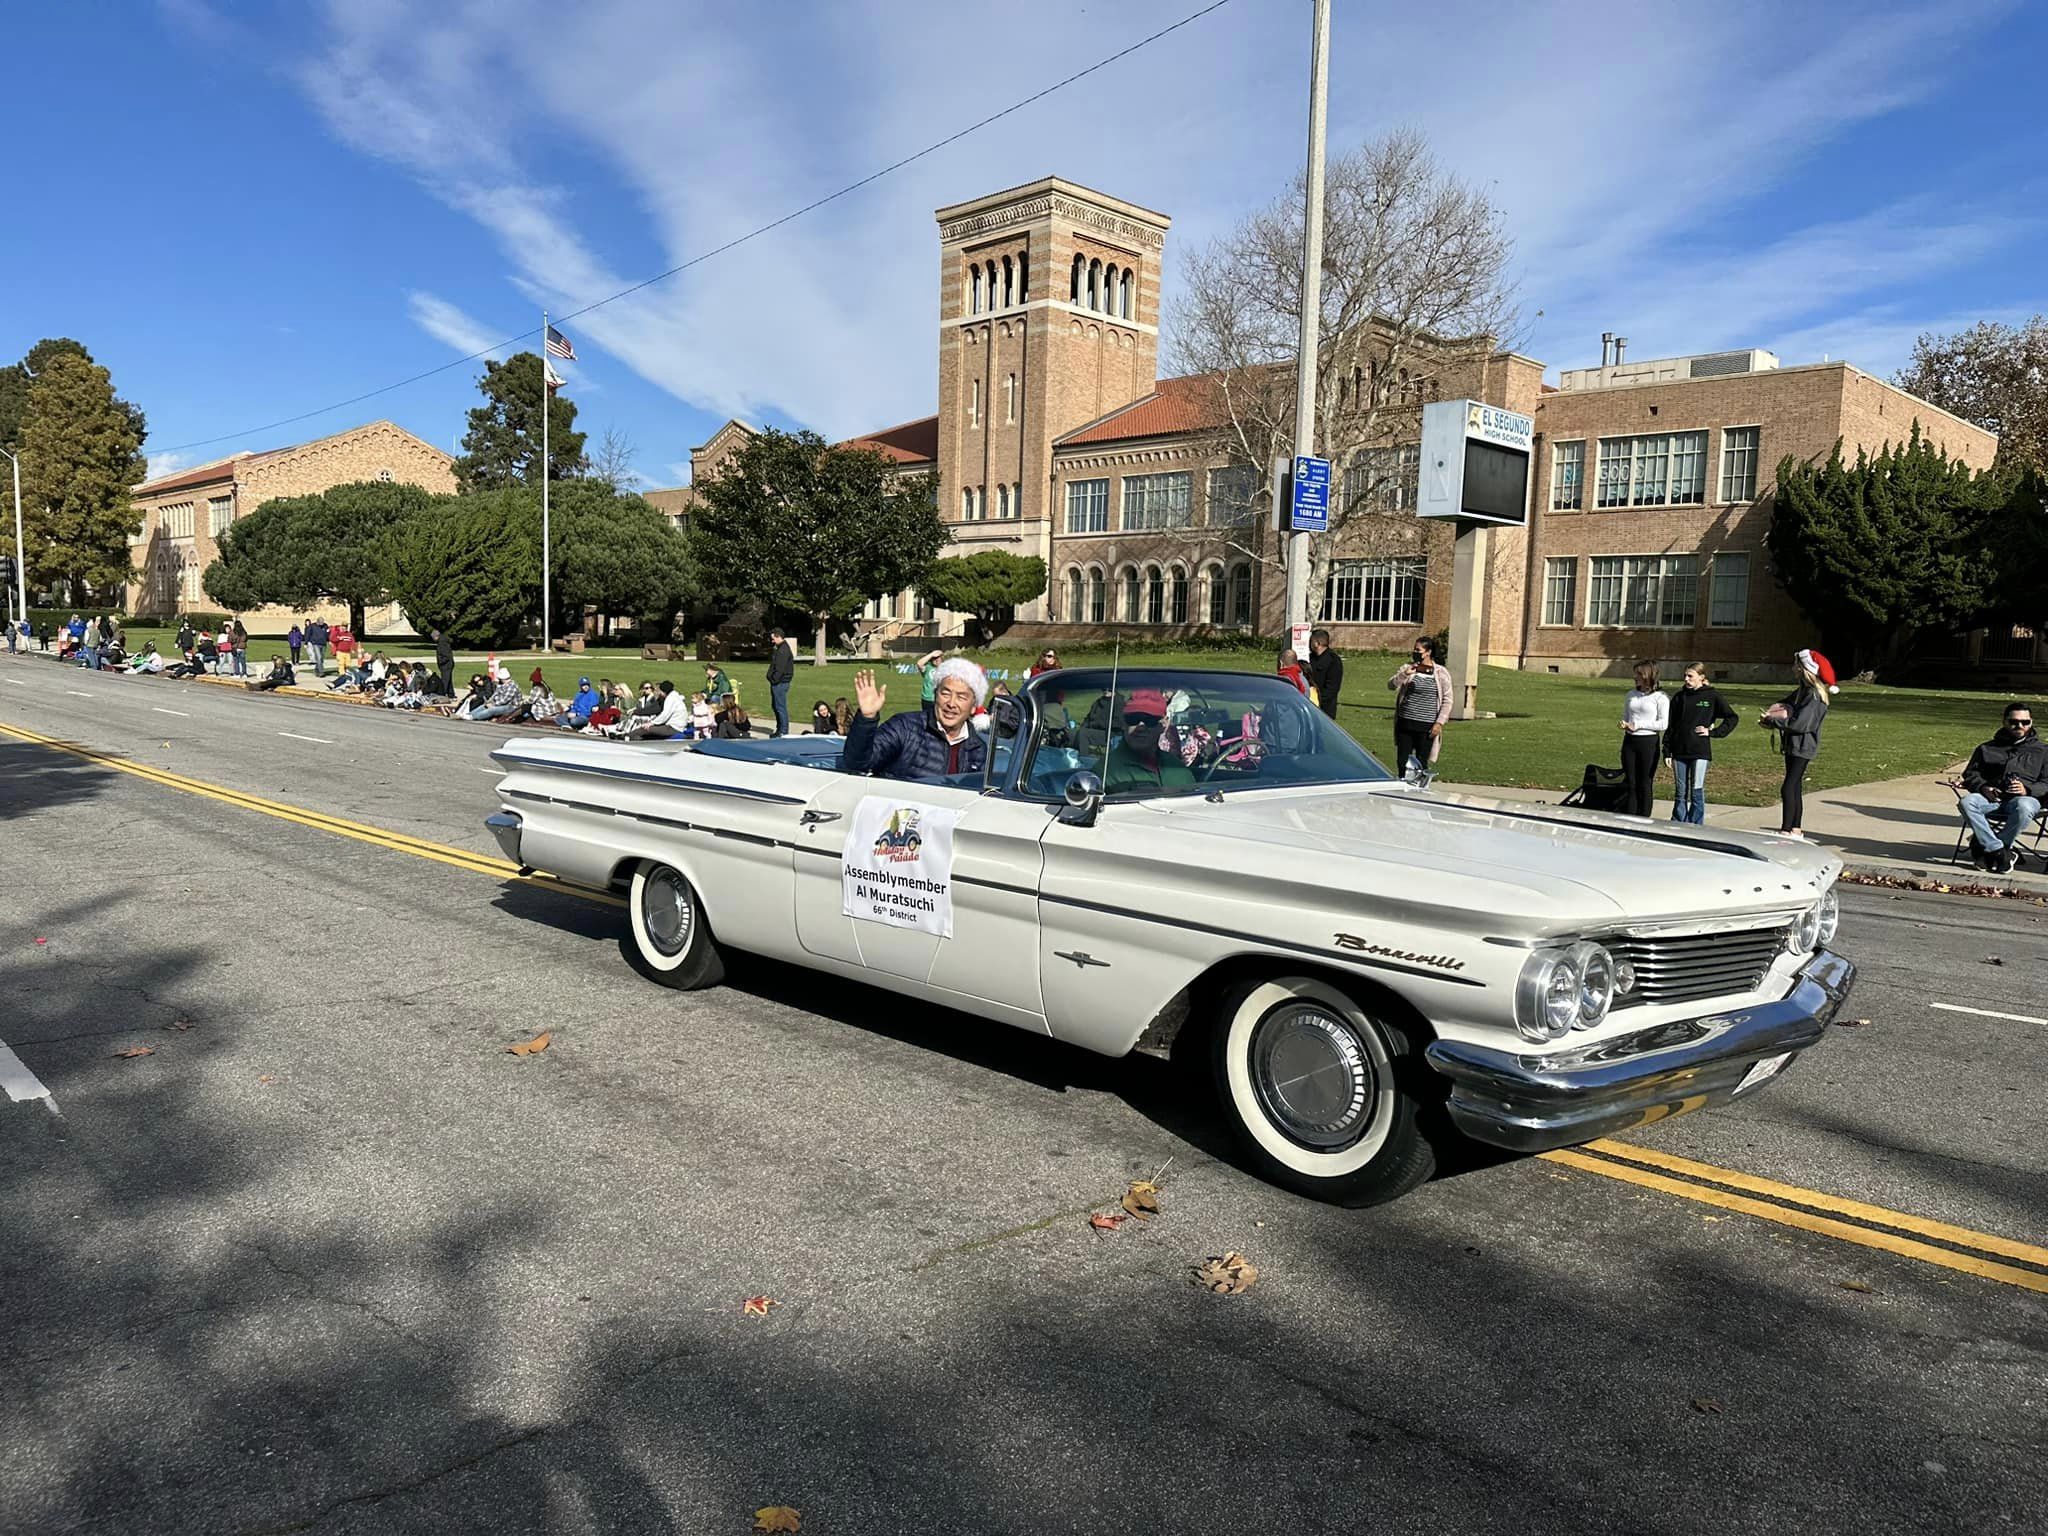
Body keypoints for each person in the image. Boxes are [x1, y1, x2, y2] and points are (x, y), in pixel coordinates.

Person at [845, 659, 987, 779]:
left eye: (961, 697)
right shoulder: (904, 727)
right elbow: (858, 763)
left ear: (973, 707)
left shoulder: (978, 749)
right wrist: (867, 719)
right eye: (945, 693)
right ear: (935, 695)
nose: (951, 703)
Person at [1957, 702, 2044, 873]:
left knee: (2024, 806)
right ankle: (1999, 851)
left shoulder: (2043, 751)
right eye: (2014, 722)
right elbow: (1970, 774)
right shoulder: (1986, 748)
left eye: (2025, 722)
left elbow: (2047, 782)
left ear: (2031, 722)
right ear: (2004, 721)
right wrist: (1983, 787)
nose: (2019, 726)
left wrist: (2026, 789)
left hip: (2024, 800)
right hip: (1991, 798)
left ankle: (1991, 850)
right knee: (1967, 802)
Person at [1760, 648, 1836, 838]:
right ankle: (1795, 829)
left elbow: (1801, 724)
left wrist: (1773, 721)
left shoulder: (1814, 695)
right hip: (1793, 744)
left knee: (1788, 785)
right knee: (1795, 786)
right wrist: (1772, 714)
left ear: (1804, 668)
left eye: (1796, 664)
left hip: (1803, 745)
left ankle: (1786, 830)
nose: (1793, 667)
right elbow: (1785, 704)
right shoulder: (1802, 691)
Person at [1662, 662, 1739, 825]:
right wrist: (1667, 751)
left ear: (1701, 678)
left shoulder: (1712, 696)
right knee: (1680, 791)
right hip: (1679, 751)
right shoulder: (1679, 697)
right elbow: (1671, 726)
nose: (1686, 679)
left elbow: (1732, 717)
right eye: (1685, 676)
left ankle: (1696, 824)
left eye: (1690, 676)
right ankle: (1679, 822)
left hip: (1700, 751)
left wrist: (1713, 732)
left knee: (1696, 790)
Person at [1102, 686, 1198, 795]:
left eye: (1150, 720)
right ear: (1124, 723)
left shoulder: (1178, 768)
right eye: (1133, 719)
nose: (1141, 726)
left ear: (1164, 724)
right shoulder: (1105, 772)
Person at [1386, 636, 1451, 775]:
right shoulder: (1407, 668)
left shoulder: (1441, 673)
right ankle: (1403, 785)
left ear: (1428, 652)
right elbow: (1391, 685)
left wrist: (1439, 723)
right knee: (1402, 761)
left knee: (1421, 762)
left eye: (1418, 650)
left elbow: (1448, 699)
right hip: (1406, 722)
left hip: (1427, 725)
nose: (1415, 652)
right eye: (1414, 649)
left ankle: (1420, 787)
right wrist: (1404, 674)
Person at [1619, 661, 1669, 818]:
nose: (1635, 677)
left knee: (1645, 783)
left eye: (1639, 674)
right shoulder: (1631, 695)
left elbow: (1663, 723)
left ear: (1648, 676)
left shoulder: (1660, 697)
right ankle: (1630, 816)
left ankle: (1644, 817)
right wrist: (1625, 724)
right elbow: (1627, 716)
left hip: (1648, 743)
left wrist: (1639, 725)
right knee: (1631, 783)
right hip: (1630, 742)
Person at [1306, 629, 1343, 720]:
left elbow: (1332, 689)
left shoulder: (1333, 661)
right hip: (1308, 707)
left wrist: (1316, 701)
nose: (1309, 644)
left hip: (1325, 710)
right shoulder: (1309, 658)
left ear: (1316, 643)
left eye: (1311, 641)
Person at [766, 627, 795, 737]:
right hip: (778, 682)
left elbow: (780, 669)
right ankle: (780, 729)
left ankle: (783, 731)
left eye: (773, 638)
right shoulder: (780, 648)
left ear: (778, 637)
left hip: (780, 683)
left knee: (780, 706)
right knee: (776, 706)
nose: (772, 641)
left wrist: (773, 679)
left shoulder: (783, 650)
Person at [914, 646, 947, 724]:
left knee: (939, 720)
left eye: (937, 658)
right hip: (927, 699)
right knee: (927, 719)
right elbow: (919, 663)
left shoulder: (945, 669)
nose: (936, 660)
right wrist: (932, 654)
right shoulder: (927, 668)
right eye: (933, 658)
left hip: (940, 699)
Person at [432, 628, 456, 698]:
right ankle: (451, 694)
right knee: (448, 679)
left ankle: (442, 694)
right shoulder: (443, 641)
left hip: (446, 664)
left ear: (436, 636)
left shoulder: (442, 642)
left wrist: (441, 662)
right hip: (448, 663)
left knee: (445, 680)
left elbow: (446, 655)